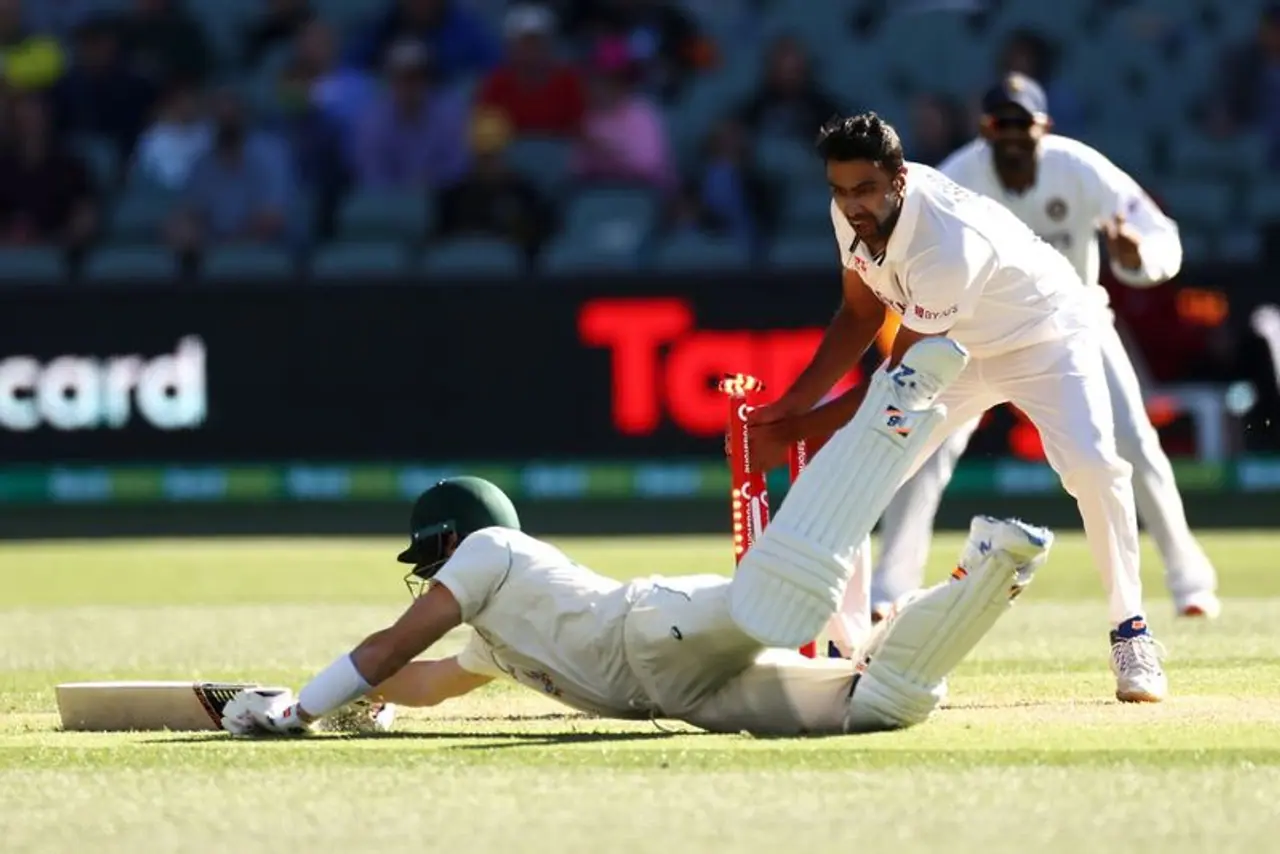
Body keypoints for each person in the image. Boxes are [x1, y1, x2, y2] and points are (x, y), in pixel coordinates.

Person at [740, 111, 1168, 703]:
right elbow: (862, 314)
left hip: (1046, 334)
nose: (852, 205)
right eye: (840, 191)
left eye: (865, 189)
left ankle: (1132, 631)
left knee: (1093, 467)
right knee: (852, 478)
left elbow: (901, 381)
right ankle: (850, 650)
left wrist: (794, 431)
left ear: (899, 179)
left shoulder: (947, 242)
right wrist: (790, 407)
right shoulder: (849, 210)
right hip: (960, 348)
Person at [220, 476, 1054, 737]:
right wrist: (355, 699)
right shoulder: (499, 640)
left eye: (428, 558)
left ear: (453, 541)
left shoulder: (487, 553)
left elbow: (396, 645)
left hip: (653, 623)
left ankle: (834, 503)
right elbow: (428, 681)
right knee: (877, 706)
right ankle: (991, 567)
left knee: (778, 603)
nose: (429, 577)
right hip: (685, 696)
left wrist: (299, 707)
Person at [874, 74, 1221, 622]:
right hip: (975, 330)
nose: (1010, 136)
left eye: (1021, 125)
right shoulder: (959, 177)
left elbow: (1160, 237)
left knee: (1131, 442)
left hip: (1073, 326)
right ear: (983, 129)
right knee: (923, 450)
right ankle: (887, 591)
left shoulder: (1078, 167)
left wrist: (1133, 259)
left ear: (1044, 127)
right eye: (998, 125)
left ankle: (1189, 581)